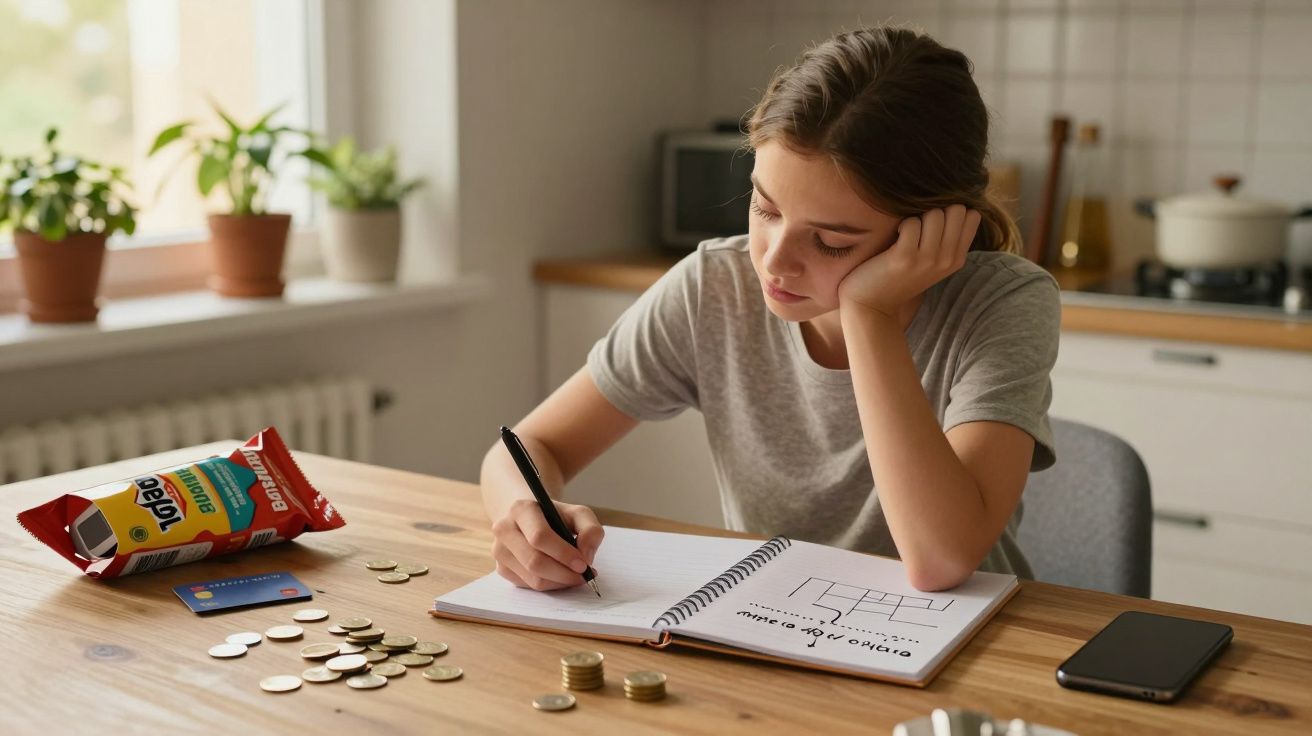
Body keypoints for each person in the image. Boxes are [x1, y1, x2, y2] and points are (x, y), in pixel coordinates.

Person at [480, 25, 1059, 594]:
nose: (775, 262)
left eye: (831, 241)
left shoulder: (1003, 303)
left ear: (934, 228)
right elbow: (528, 448)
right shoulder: (713, 288)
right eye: (765, 208)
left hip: (974, 638)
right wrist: (525, 514)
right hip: (769, 622)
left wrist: (869, 314)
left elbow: (940, 562)